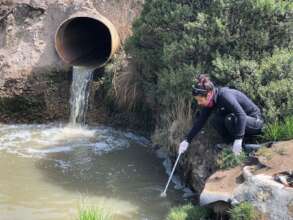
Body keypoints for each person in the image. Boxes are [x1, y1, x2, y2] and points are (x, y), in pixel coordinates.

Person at [178, 74, 264, 156]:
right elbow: (200, 121)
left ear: (208, 95)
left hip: (255, 121)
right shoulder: (211, 101)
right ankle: (230, 144)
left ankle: (242, 143)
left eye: (200, 100)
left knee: (231, 119)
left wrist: (238, 139)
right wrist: (187, 140)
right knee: (215, 120)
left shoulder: (224, 95)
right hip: (241, 122)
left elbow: (241, 115)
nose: (199, 103)